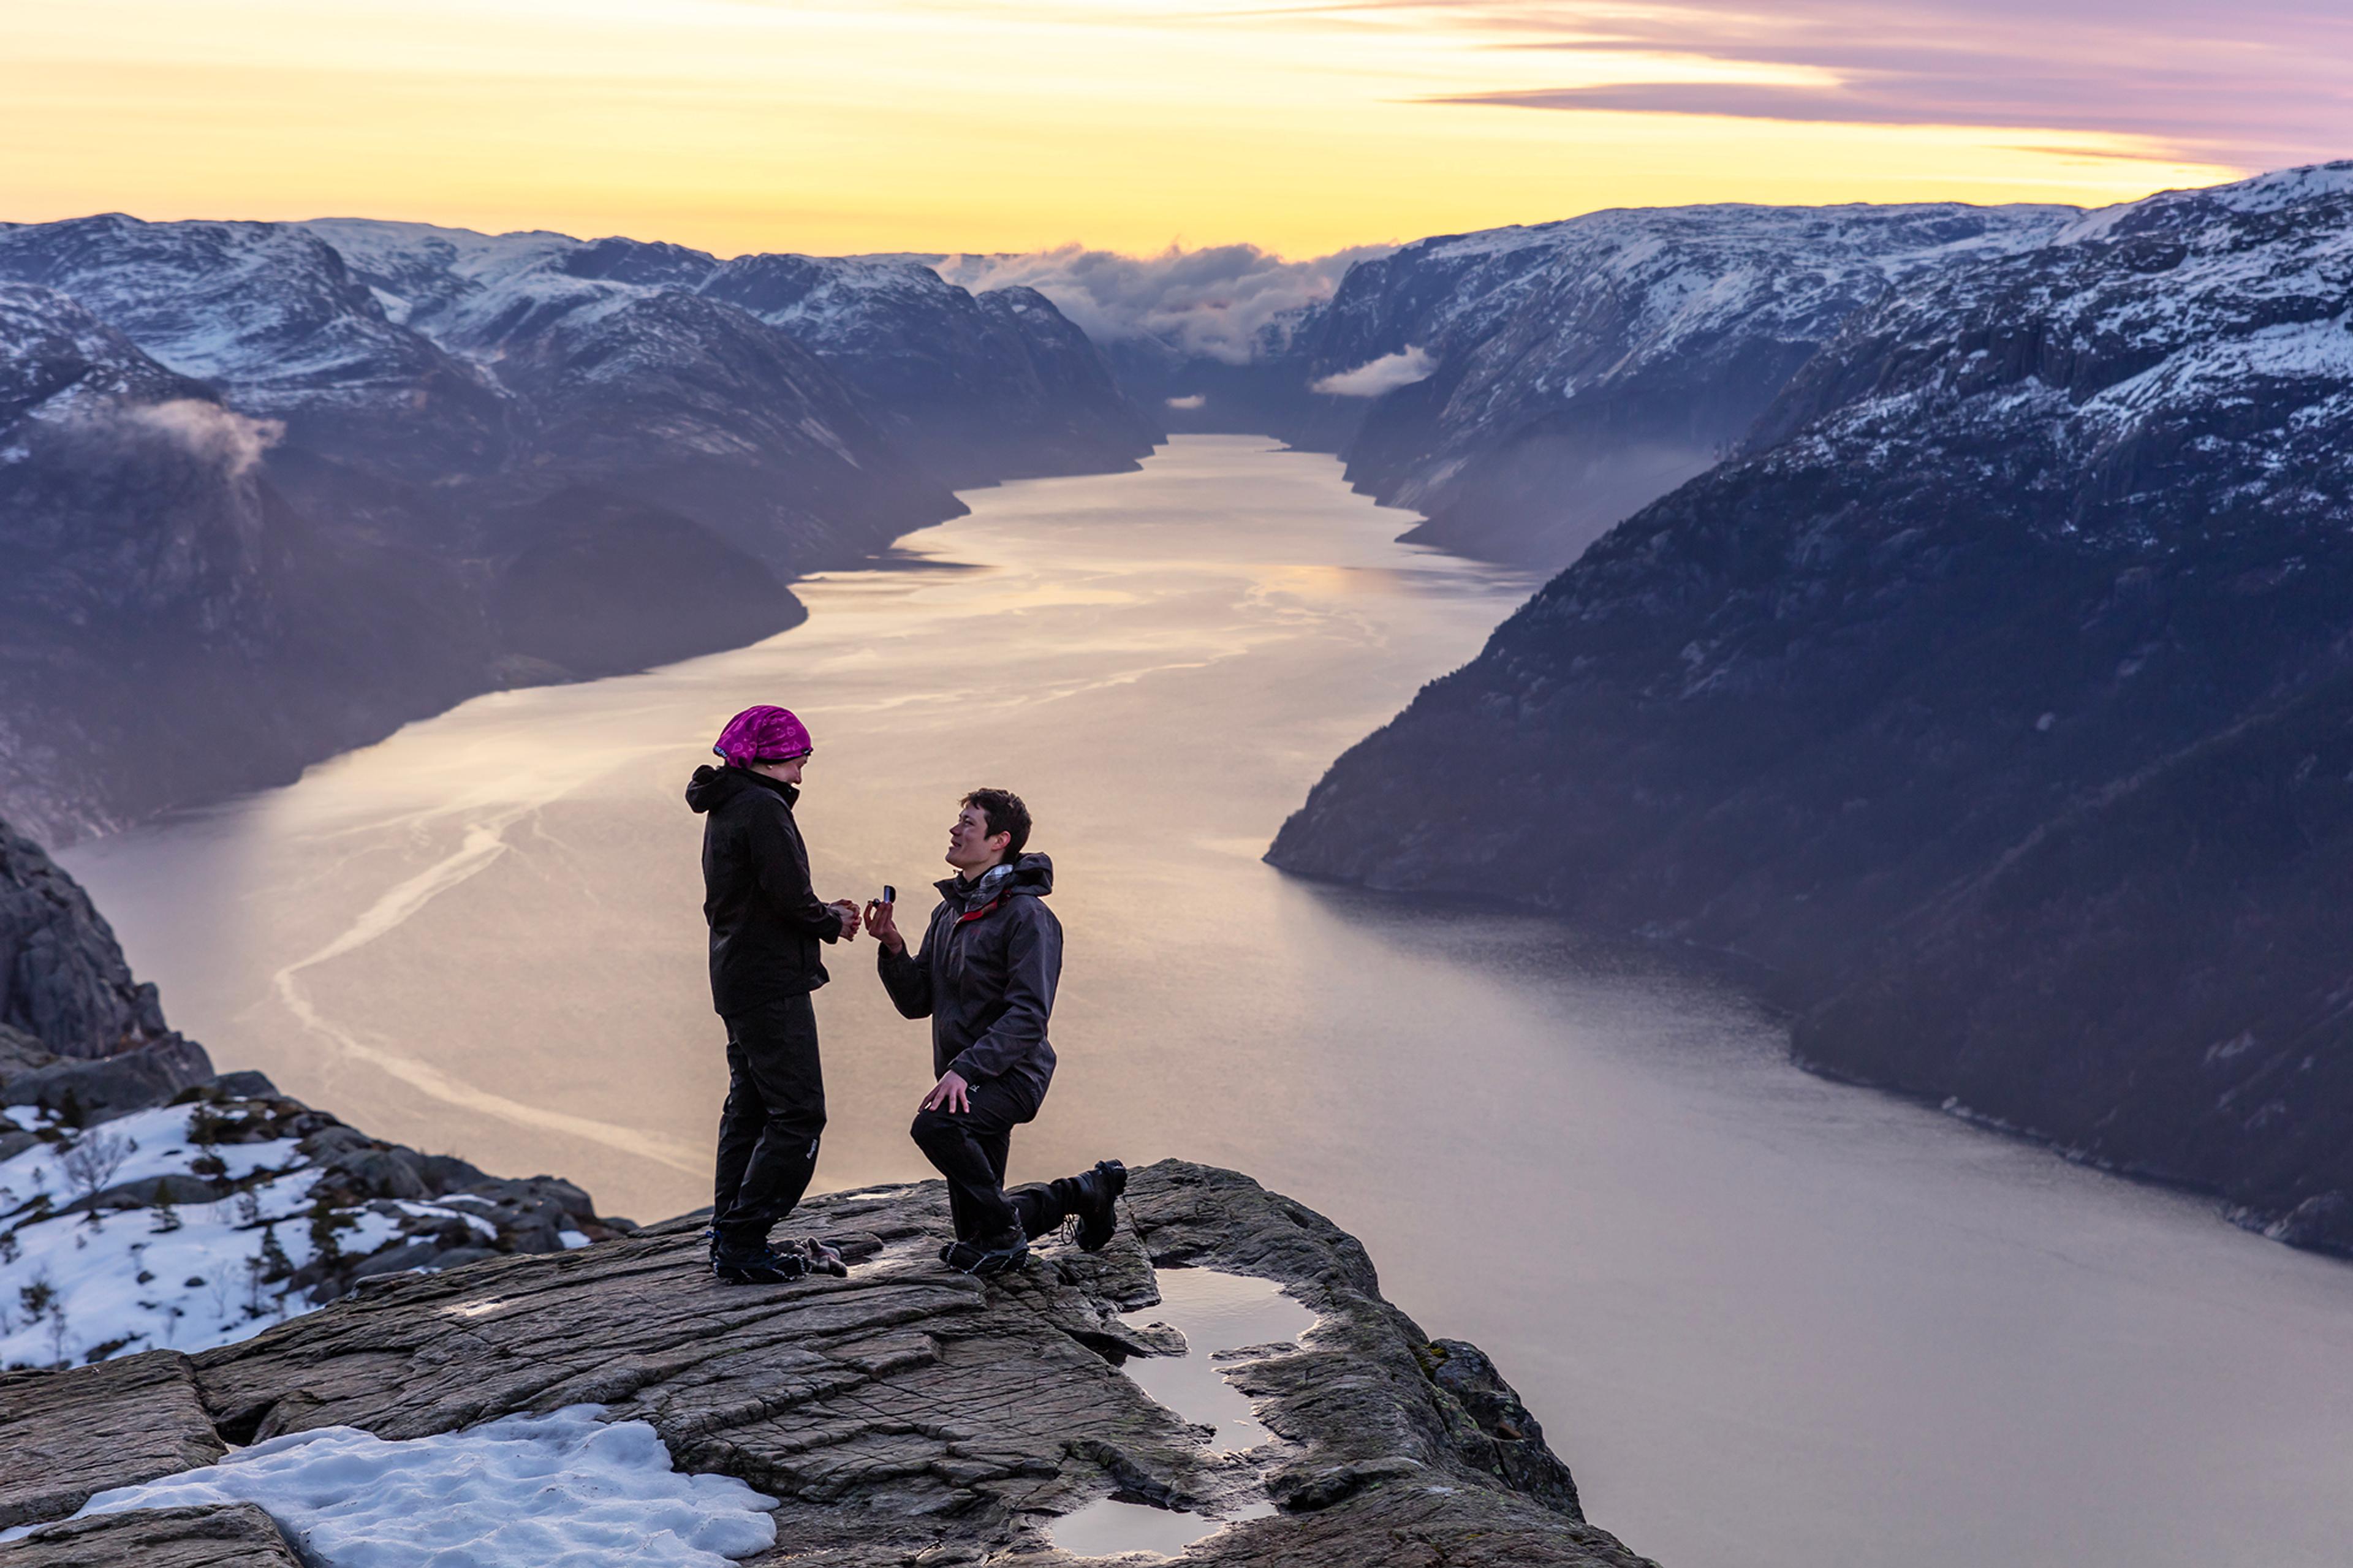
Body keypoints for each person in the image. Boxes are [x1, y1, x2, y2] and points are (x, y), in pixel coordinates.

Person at [864, 787, 1124, 1276]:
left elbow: (1029, 1016)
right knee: (976, 1236)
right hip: (965, 1080)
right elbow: (918, 1002)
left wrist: (965, 1069)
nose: (955, 829)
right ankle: (1086, 1191)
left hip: (1010, 1075)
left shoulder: (1029, 916)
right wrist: (894, 948)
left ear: (1000, 840)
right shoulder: (950, 913)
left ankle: (1012, 1228)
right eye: (957, 820)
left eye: (968, 822)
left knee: (935, 1126)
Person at [685, 704, 860, 1286]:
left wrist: (819, 915)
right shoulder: (763, 808)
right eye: (796, 762)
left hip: (737, 976)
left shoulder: (730, 801)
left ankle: (728, 1232)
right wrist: (832, 919)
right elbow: (789, 896)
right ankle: (742, 1238)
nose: (800, 777)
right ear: (767, 756)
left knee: (751, 1106)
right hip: (770, 981)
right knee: (799, 1112)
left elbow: (763, 897)